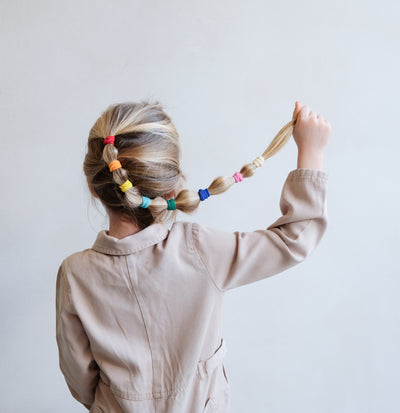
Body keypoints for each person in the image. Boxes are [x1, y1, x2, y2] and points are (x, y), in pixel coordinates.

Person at [55, 100, 331, 413]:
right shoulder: (199, 250)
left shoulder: (75, 273)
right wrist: (312, 151)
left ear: (93, 186)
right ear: (171, 191)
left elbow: (79, 375)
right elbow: (293, 241)